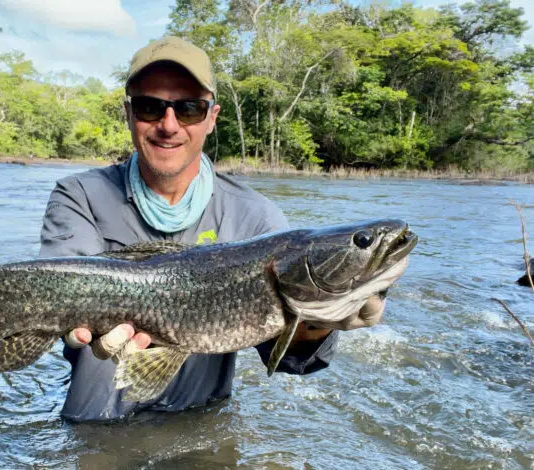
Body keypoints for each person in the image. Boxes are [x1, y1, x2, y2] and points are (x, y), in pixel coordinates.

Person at [39, 36, 386, 422]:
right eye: (150, 107)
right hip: (93, 424)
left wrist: (319, 322)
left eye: (189, 109)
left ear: (212, 117)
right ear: (128, 114)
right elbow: (53, 291)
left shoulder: (256, 216)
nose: (168, 125)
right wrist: (64, 324)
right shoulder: (79, 195)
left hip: (202, 425)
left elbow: (291, 361)